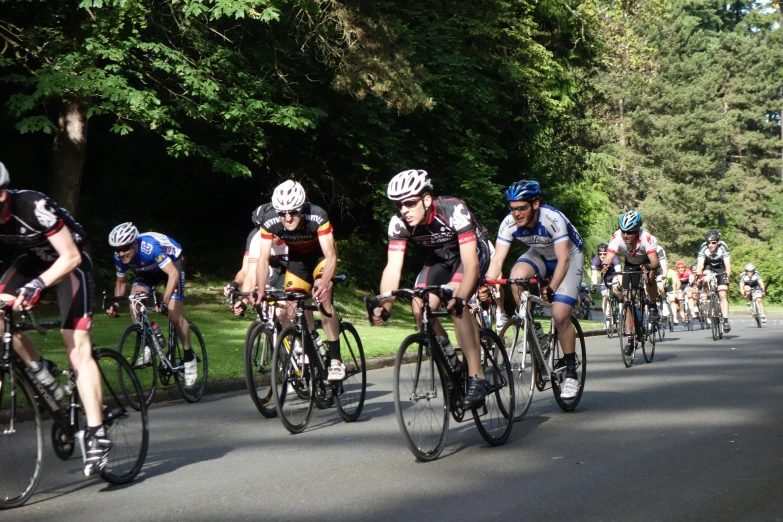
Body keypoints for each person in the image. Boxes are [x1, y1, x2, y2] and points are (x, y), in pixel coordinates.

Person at [0, 162, 109, 476]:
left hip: (72, 259)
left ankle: (97, 431)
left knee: (75, 345)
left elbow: (71, 256)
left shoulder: (33, 205)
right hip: (34, 259)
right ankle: (38, 368)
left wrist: (38, 285)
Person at [371, 169, 492, 407]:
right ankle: (451, 363)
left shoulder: (453, 210)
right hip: (439, 259)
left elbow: (470, 263)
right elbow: (393, 268)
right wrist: (384, 305)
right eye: (398, 205)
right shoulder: (399, 223)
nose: (403, 210)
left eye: (409, 202)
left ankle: (477, 377)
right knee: (419, 310)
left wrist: (461, 297)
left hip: (471, 254)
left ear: (426, 199)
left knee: (456, 304)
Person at [484, 179, 585, 400]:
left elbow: (564, 259)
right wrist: (487, 285)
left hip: (568, 256)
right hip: (538, 253)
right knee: (515, 277)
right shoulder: (509, 223)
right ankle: (533, 329)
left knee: (559, 314)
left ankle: (570, 372)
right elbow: (497, 259)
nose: (516, 214)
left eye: (522, 208)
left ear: (536, 204)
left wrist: (552, 287)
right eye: (513, 208)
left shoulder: (552, 218)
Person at [252, 180, 344, 380]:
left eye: (292, 212)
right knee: (292, 307)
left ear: (301, 208)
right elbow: (263, 258)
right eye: (282, 213)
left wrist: (324, 283)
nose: (287, 217)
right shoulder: (269, 221)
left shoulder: (317, 215)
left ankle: (336, 359)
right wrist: (260, 290)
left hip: (320, 257)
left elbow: (331, 256)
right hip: (298, 260)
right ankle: (312, 342)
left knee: (322, 299)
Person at [106, 223, 197, 384]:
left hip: (173, 265)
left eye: (125, 248)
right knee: (134, 303)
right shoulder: (119, 256)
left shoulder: (149, 248)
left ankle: (189, 358)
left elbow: (173, 274)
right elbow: (121, 283)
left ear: (134, 243)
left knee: (174, 316)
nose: (121, 253)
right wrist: (115, 304)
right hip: (147, 270)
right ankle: (152, 338)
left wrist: (165, 300)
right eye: (117, 249)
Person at [600, 210, 661, 355]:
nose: (626, 235)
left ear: (637, 230)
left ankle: (653, 305)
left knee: (649, 277)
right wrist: (605, 267)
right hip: (630, 264)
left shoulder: (646, 238)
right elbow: (608, 256)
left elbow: (655, 262)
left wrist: (647, 268)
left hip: (647, 261)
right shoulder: (617, 237)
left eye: (630, 232)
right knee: (628, 298)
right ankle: (630, 339)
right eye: (624, 231)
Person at [224, 203, 288, 316]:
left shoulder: (291, 234)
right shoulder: (256, 237)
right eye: (260, 228)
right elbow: (249, 272)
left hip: (292, 267)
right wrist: (244, 300)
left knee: (287, 309)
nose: (267, 232)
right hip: (273, 269)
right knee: (264, 287)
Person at [695, 229, 731, 332]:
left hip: (721, 267)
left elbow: (728, 266)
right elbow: (700, 265)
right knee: (705, 279)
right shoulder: (703, 248)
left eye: (713, 242)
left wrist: (726, 277)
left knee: (723, 294)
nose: (710, 245)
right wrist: (698, 275)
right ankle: (710, 297)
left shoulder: (723, 247)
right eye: (708, 243)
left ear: (718, 242)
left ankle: (725, 321)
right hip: (709, 266)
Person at [590, 243, 620, 323]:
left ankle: (620, 302)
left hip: (614, 275)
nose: (602, 256)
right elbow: (594, 275)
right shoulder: (595, 260)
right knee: (604, 295)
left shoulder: (614, 258)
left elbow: (619, 272)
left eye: (604, 254)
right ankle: (607, 316)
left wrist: (619, 284)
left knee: (616, 287)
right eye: (600, 254)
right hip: (605, 277)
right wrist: (593, 286)